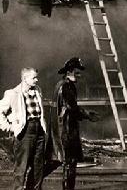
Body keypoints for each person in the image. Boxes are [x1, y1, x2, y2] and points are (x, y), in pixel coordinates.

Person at [45, 57, 98, 190]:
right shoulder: (66, 86)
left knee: (58, 161)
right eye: (78, 71)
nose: (80, 75)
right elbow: (71, 107)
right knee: (69, 163)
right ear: (70, 71)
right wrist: (87, 115)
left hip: (62, 129)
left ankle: (31, 183)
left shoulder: (61, 85)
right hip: (66, 131)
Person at [0, 67, 46, 190]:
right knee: (21, 167)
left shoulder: (37, 90)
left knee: (38, 166)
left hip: (39, 130)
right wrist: (9, 127)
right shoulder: (13, 93)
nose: (36, 80)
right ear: (25, 78)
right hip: (25, 132)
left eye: (36, 77)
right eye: (33, 77)